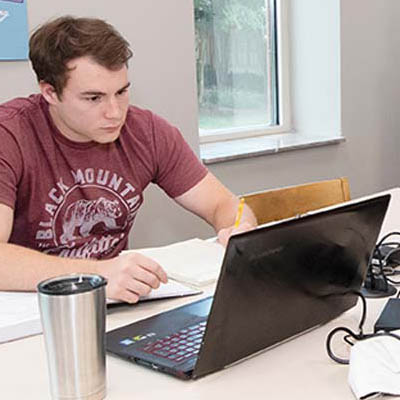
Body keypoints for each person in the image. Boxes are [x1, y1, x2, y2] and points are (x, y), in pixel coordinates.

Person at [0, 16, 256, 303]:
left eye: (121, 92)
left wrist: (238, 229)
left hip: (116, 303)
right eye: (93, 98)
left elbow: (224, 204)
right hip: (29, 311)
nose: (115, 112)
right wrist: (96, 275)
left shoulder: (146, 131)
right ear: (50, 92)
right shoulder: (9, 134)